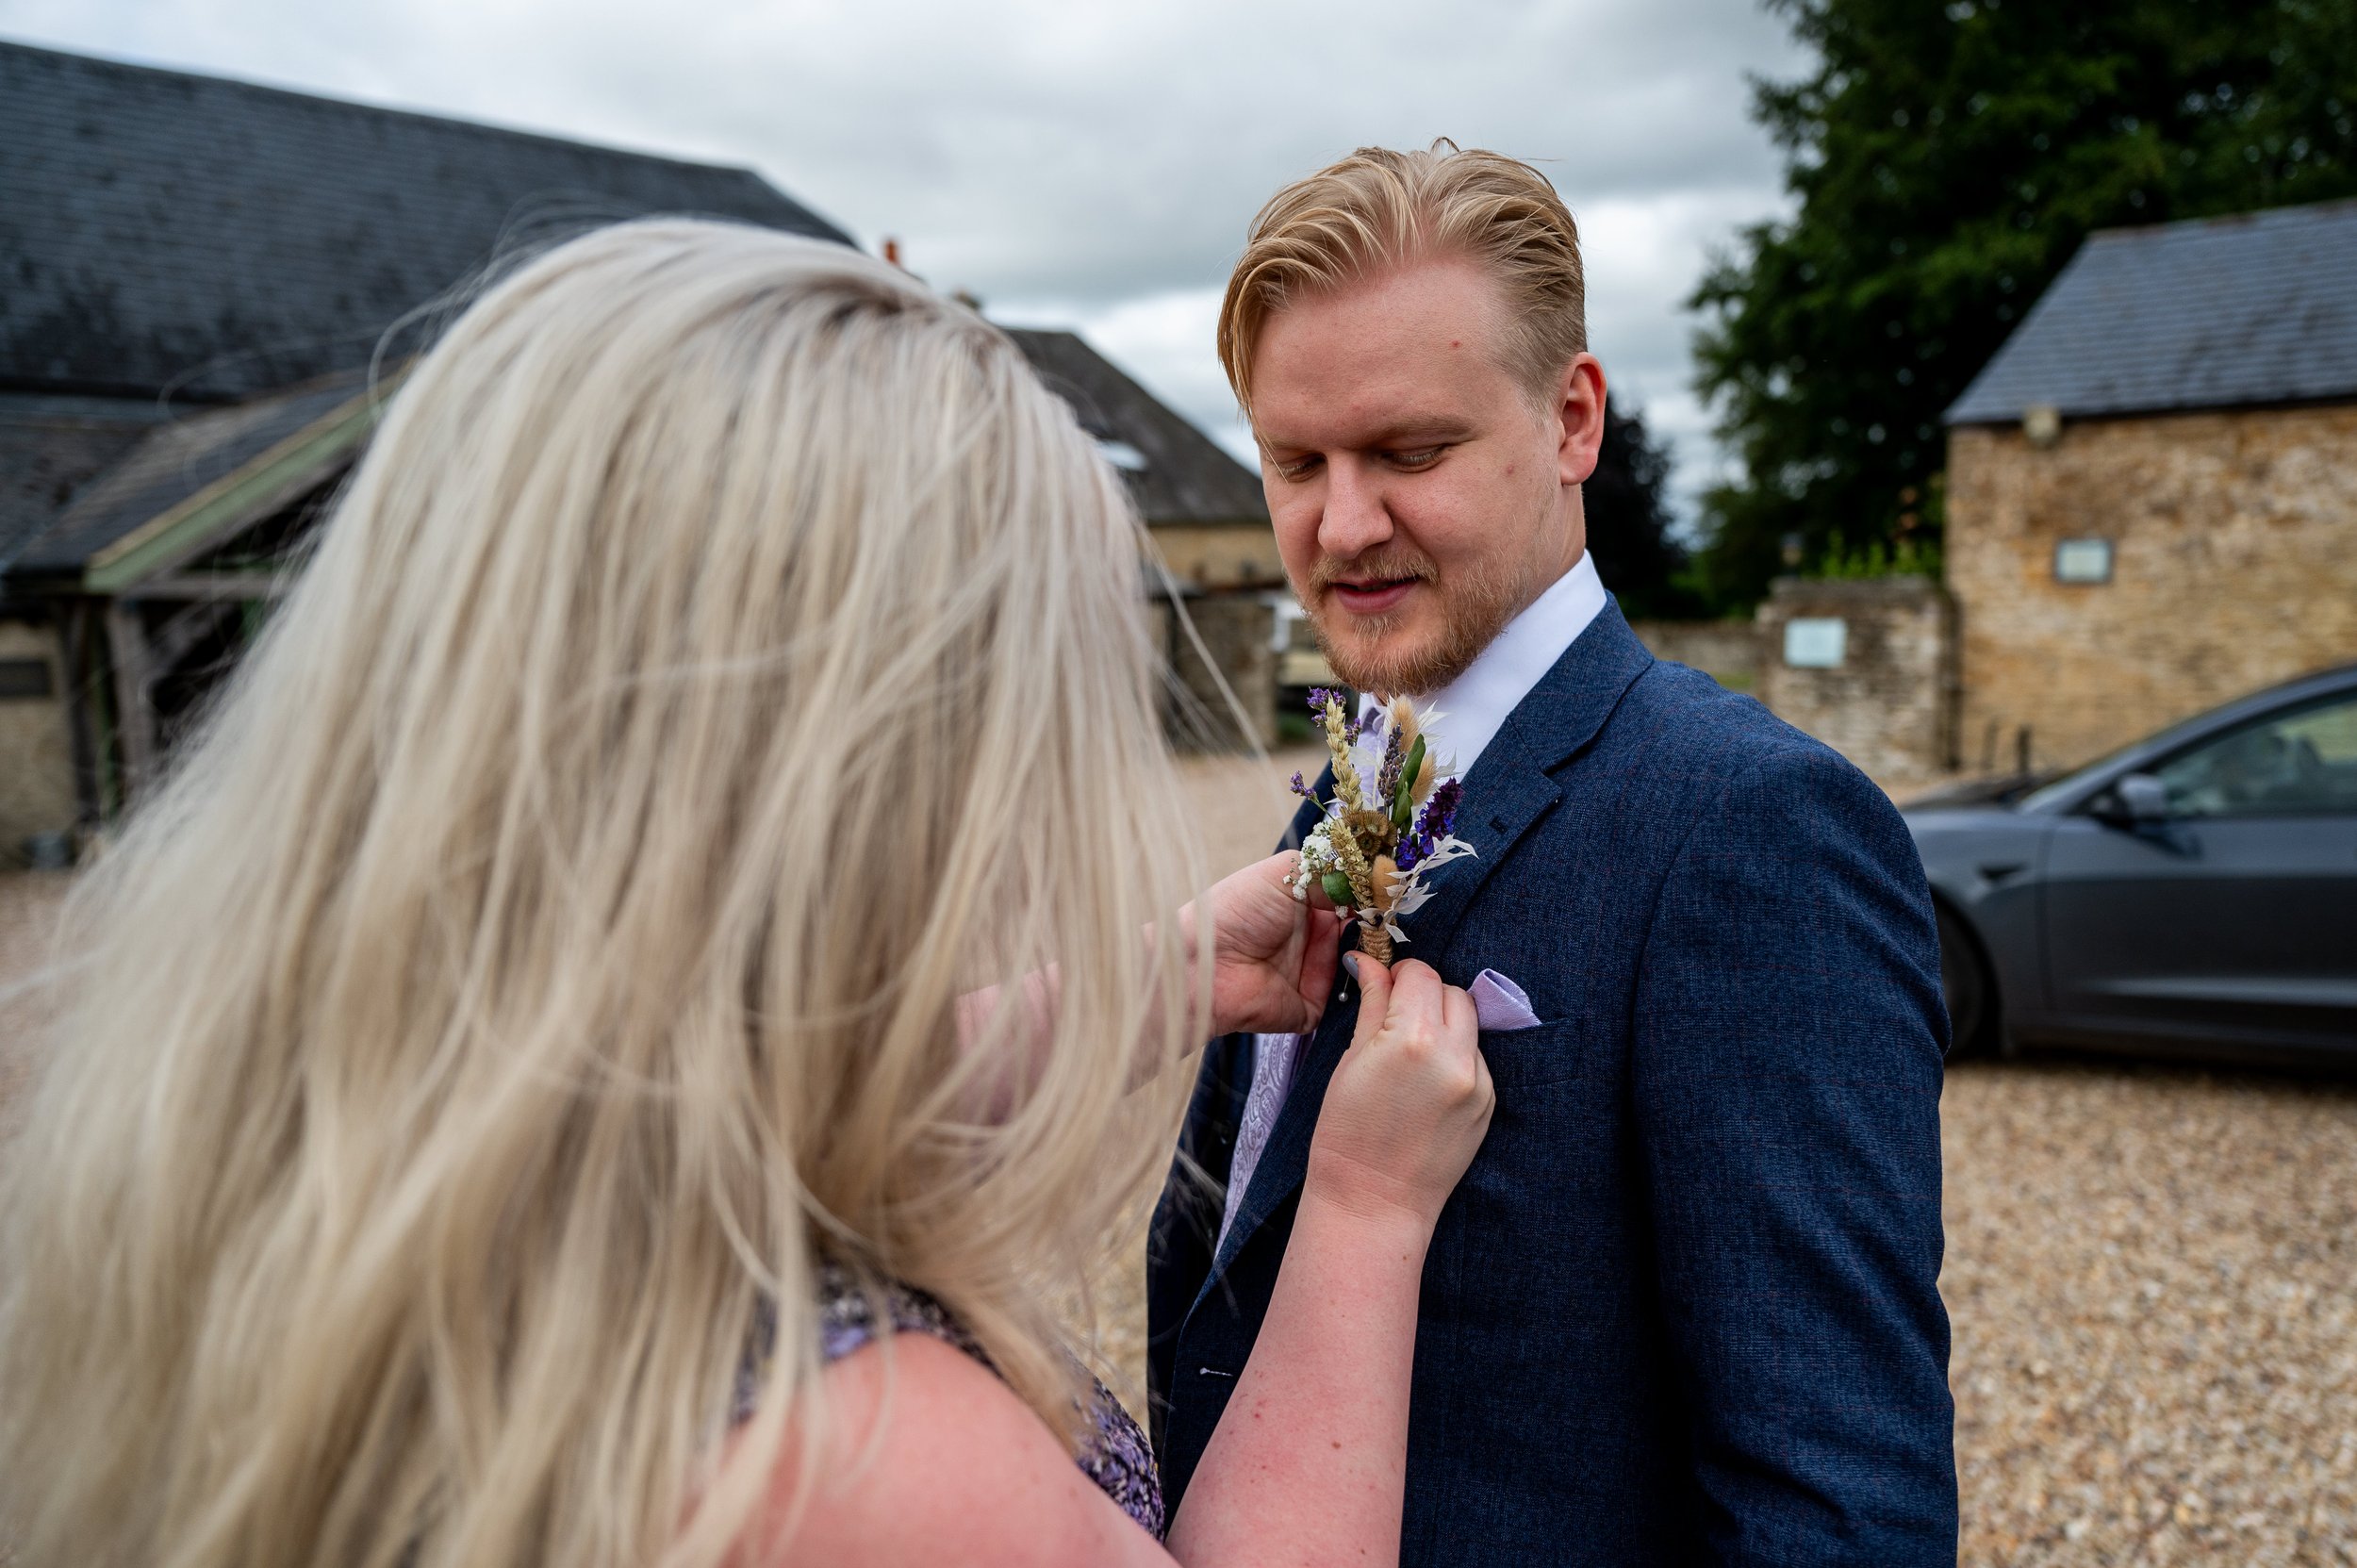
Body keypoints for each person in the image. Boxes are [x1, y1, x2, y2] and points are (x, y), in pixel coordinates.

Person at [0, 221, 1493, 1568]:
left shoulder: (313, 1137)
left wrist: (1164, 975)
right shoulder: (856, 1464)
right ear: (851, 773)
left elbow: (756, 1118)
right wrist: (1361, 1212)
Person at [1148, 143, 1957, 1565]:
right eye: (1295, 462)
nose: (1340, 526)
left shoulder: (1753, 828)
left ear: (1574, 419)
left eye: (1411, 452)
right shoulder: (1348, 789)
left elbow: (1837, 1502)